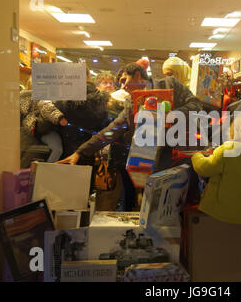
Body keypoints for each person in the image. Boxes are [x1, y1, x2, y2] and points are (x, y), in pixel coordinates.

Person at [58, 62, 202, 210]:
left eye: (124, 80)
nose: (123, 86)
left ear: (138, 75)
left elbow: (196, 105)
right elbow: (111, 131)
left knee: (179, 207)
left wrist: (171, 115)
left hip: (179, 156)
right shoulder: (131, 103)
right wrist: (79, 152)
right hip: (152, 162)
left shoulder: (168, 83)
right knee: (155, 207)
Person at [20, 89, 68, 164]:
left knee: (26, 154)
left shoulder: (22, 95)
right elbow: (46, 106)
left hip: (29, 128)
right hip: (43, 129)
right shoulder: (43, 95)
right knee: (57, 149)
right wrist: (59, 118)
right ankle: (46, 170)